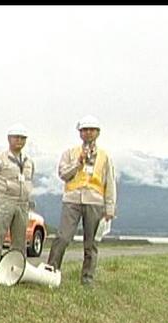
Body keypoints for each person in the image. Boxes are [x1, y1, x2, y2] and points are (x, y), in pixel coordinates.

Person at [47, 115, 116, 286]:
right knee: (62, 237)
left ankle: (87, 278)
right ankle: (50, 272)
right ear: (79, 133)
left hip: (95, 201)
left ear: (97, 133)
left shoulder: (105, 156)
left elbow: (110, 182)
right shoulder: (70, 153)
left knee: (91, 243)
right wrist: (78, 164)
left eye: (91, 130)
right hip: (72, 199)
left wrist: (110, 209)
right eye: (84, 130)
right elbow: (63, 174)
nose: (88, 133)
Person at [0, 123, 35, 275]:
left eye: (22, 138)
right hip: (4, 199)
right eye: (16, 137)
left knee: (20, 238)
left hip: (22, 202)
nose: (19, 141)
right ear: (9, 139)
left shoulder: (28, 161)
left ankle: (17, 266)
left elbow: (29, 179)